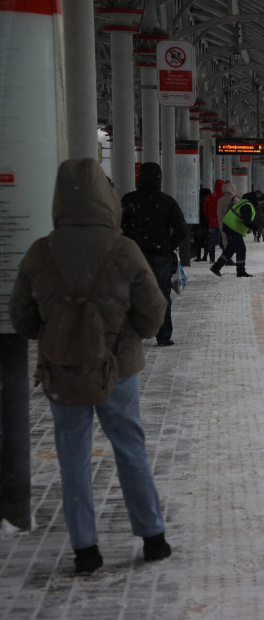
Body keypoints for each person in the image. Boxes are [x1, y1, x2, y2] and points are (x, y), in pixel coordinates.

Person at [8, 158, 172, 576]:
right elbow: (154, 313)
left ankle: (85, 550)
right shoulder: (123, 248)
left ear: (60, 198)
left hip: (64, 371)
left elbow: (22, 319)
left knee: (73, 457)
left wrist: (59, 333)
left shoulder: (41, 252)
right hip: (118, 368)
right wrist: (123, 336)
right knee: (129, 448)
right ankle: (152, 538)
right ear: (105, 196)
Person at [120, 162, 188, 347]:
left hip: (133, 255)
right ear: (159, 179)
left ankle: (130, 334)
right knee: (160, 295)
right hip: (160, 256)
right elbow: (182, 229)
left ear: (139, 177)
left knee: (131, 293)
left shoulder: (128, 200)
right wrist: (167, 246)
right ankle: (163, 335)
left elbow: (116, 226)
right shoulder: (166, 201)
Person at [210, 193, 258, 277]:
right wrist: (259, 228)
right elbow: (247, 222)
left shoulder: (245, 202)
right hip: (232, 228)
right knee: (241, 249)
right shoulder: (247, 205)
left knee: (231, 249)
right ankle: (240, 271)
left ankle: (216, 267)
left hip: (229, 226)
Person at [203, 179, 225, 262]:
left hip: (212, 222)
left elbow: (205, 210)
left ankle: (212, 258)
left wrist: (210, 216)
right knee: (224, 240)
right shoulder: (225, 197)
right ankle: (225, 256)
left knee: (212, 240)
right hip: (223, 222)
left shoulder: (210, 196)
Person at [215, 181, 238, 248]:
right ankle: (229, 256)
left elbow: (218, 212)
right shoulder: (235, 199)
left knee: (225, 239)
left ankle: (225, 254)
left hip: (223, 222)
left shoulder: (220, 200)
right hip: (233, 223)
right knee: (233, 241)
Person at [191, 186, 211, 261]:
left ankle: (199, 257)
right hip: (207, 223)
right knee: (206, 241)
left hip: (199, 224)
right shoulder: (209, 202)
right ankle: (205, 256)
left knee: (198, 241)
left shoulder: (199, 203)